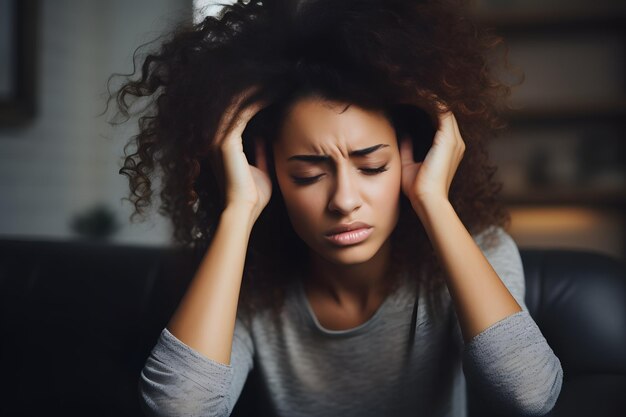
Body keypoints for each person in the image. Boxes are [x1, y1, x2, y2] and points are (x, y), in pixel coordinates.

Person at [110, 0, 563, 416]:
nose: (344, 201)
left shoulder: (480, 250)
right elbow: (179, 408)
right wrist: (238, 210)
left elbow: (529, 395)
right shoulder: (249, 285)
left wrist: (432, 201)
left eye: (372, 166)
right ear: (266, 168)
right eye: (308, 175)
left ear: (412, 153)